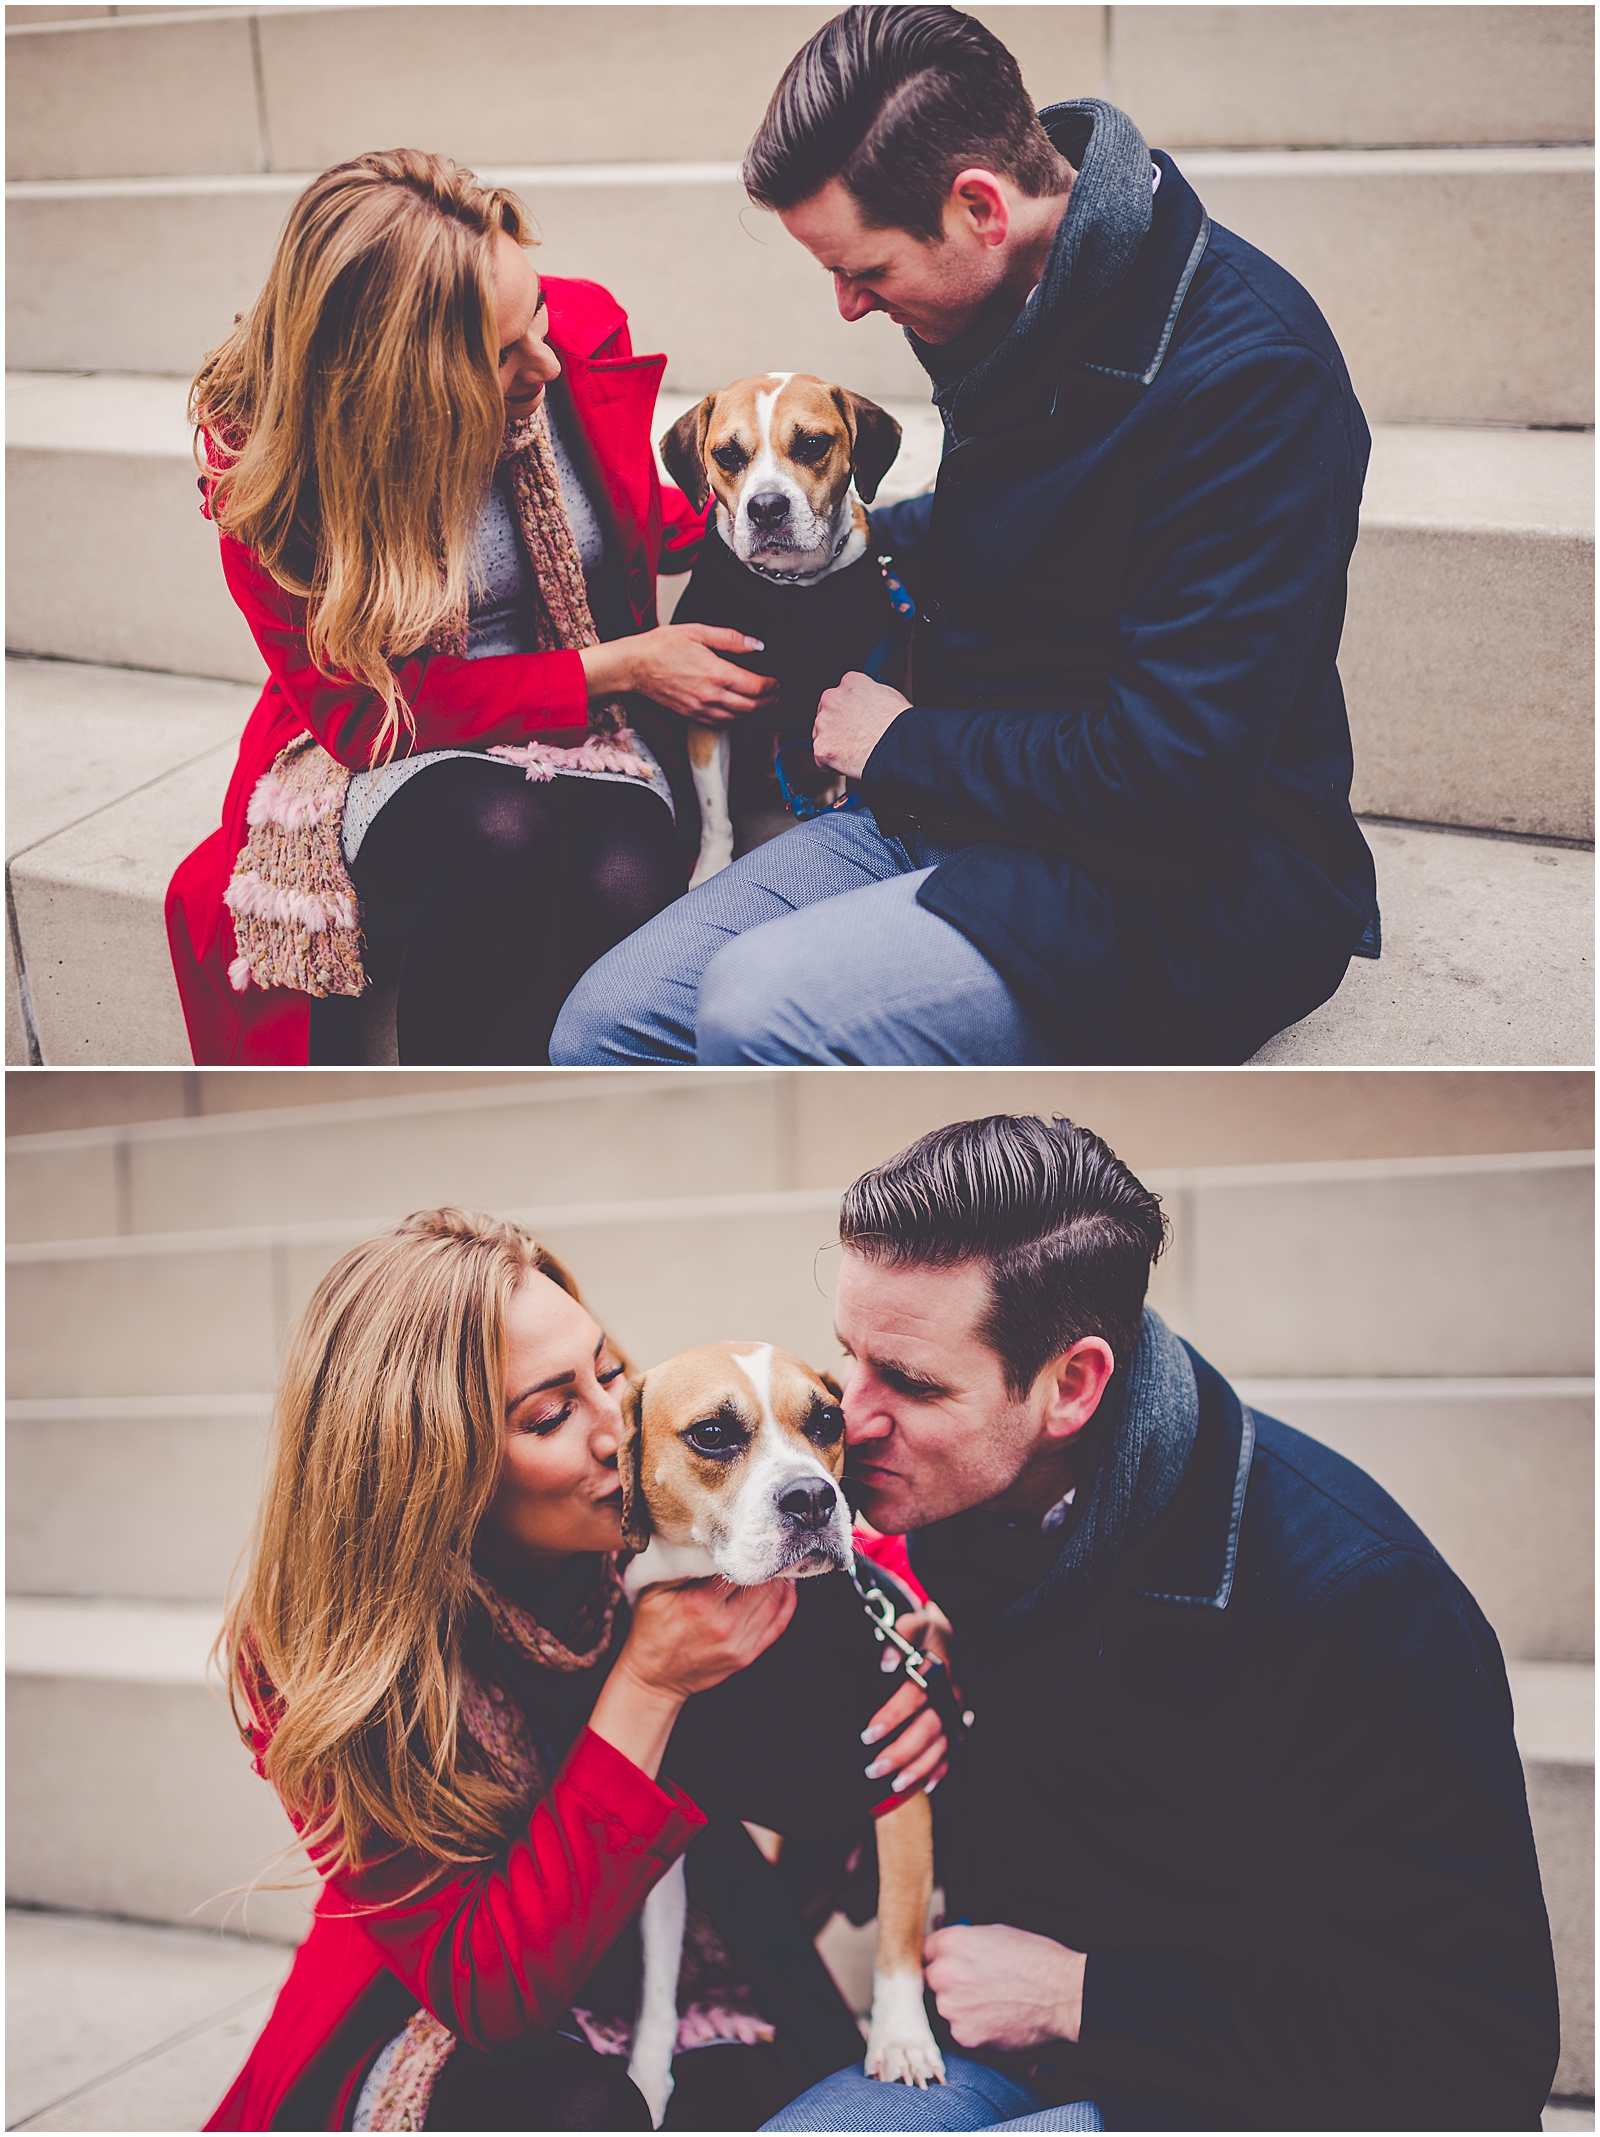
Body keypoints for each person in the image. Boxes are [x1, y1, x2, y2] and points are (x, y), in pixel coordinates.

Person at [552, 6, 1380, 1069]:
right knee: (601, 1026)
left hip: (1171, 881)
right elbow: (1026, 529)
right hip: (951, 796)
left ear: (979, 206)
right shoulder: (1014, 297)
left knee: (755, 1009)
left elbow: (1168, 776)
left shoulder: (1253, 384)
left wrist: (898, 744)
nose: (847, 307)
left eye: (867, 270)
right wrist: (835, 548)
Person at [762, 1115, 1560, 2132]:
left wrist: (1079, 1996)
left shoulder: (1361, 1602)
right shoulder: (961, 1502)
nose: (849, 1413)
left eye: (910, 1382)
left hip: (1261, 2097)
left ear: (1073, 1385)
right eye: (849, 1355)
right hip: (999, 2054)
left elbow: (1477, 2051)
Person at [204, 1207, 945, 2132]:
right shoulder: (315, 1659)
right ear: (434, 1469)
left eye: (608, 1371)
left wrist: (929, 1640)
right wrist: (648, 1684)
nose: (618, 1426)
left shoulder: (654, 1518)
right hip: (455, 2006)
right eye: (552, 1412)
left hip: (693, 1946)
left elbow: (848, 1548)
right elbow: (493, 1995)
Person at [167, 148, 774, 1068]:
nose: (549, 360)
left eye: (535, 313)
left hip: (585, 708)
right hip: (402, 724)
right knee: (503, 835)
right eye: (501, 356)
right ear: (396, 385)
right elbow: (368, 716)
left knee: (627, 877)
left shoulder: (566, 334)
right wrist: (624, 664)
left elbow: (640, 513)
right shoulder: (274, 464)